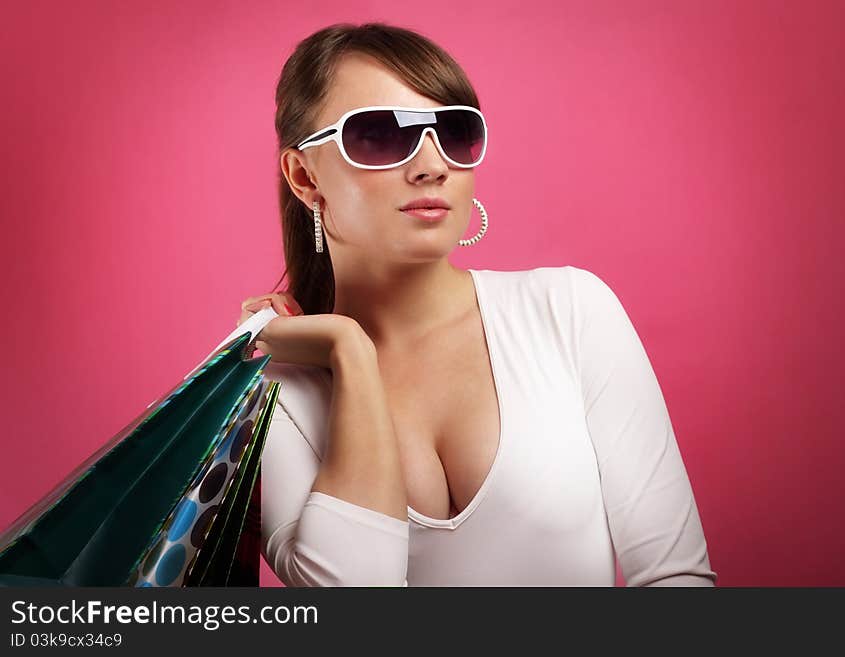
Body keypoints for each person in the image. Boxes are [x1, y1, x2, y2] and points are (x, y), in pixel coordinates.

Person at [236, 22, 717, 586]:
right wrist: (350, 353)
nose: (432, 165)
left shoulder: (569, 311)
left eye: (454, 131)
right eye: (379, 136)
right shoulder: (271, 390)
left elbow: (675, 578)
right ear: (304, 176)